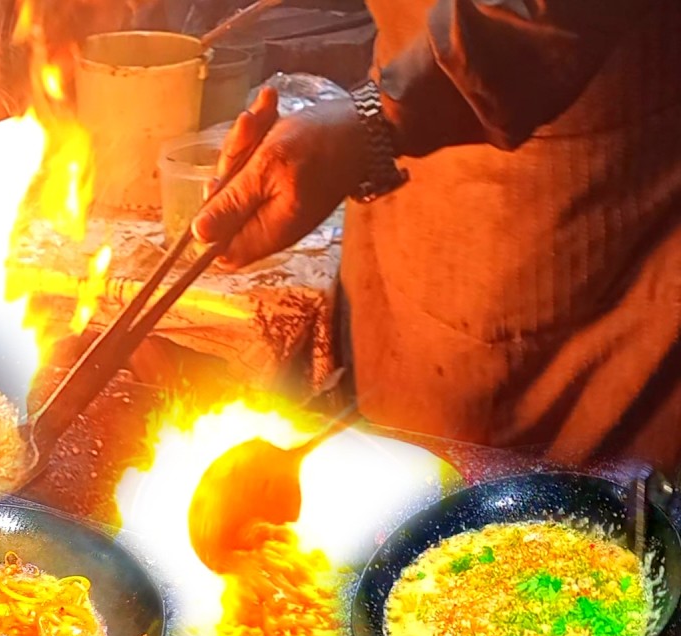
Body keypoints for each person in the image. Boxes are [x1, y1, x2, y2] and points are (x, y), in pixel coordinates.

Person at [192, 0, 681, 471]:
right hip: (407, 174)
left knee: (558, 518)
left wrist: (375, 121)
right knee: (405, 474)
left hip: (585, 206)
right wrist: (375, 121)